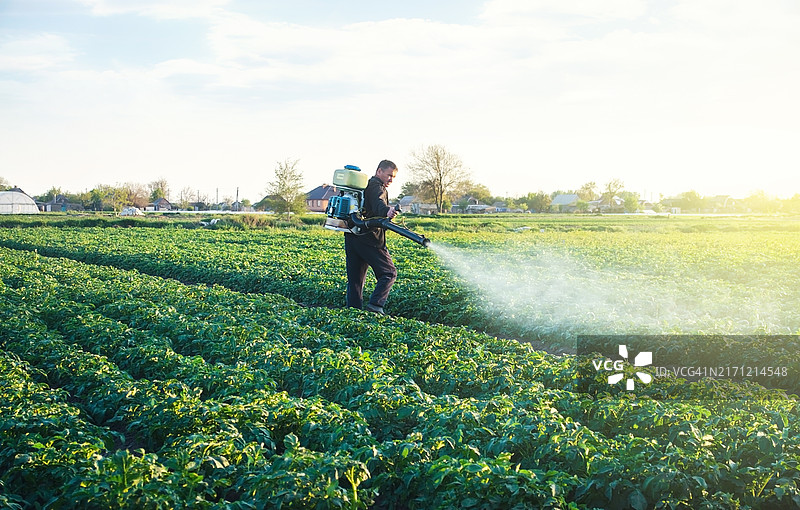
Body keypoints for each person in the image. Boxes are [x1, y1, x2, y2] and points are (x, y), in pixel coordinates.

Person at [344, 160, 399, 314]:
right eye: (389, 175)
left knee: (355, 280)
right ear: (379, 171)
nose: (391, 179)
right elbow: (378, 203)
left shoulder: (364, 186)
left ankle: (353, 313)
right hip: (370, 239)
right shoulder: (377, 187)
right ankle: (375, 306)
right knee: (389, 273)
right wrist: (387, 211)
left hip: (353, 236)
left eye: (393, 177)